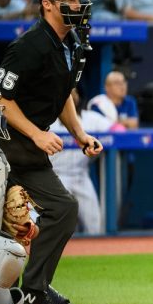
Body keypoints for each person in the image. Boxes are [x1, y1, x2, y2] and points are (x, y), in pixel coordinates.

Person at [0, 0, 103, 304]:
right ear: (47, 5)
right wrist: (37, 134)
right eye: (70, 0)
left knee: (63, 209)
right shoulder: (30, 45)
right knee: (2, 227)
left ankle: (33, 292)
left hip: (28, 150)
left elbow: (62, 98)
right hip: (2, 147)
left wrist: (79, 134)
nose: (78, 5)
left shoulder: (70, 44)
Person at [49, 89, 115, 235]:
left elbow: (117, 130)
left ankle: (97, 254)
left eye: (74, 93)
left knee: (95, 223)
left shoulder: (89, 118)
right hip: (56, 177)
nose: (71, 96)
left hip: (81, 176)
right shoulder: (48, 120)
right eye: (67, 93)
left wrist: (122, 123)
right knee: (60, 226)